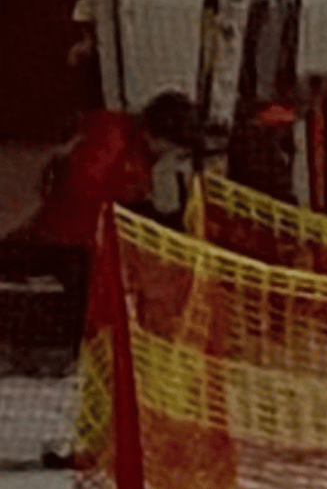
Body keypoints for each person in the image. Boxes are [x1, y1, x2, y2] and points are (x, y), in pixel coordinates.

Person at [0, 91, 201, 358]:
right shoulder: (118, 149)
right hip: (74, 240)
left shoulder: (120, 135)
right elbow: (86, 200)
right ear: (158, 135)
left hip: (74, 231)